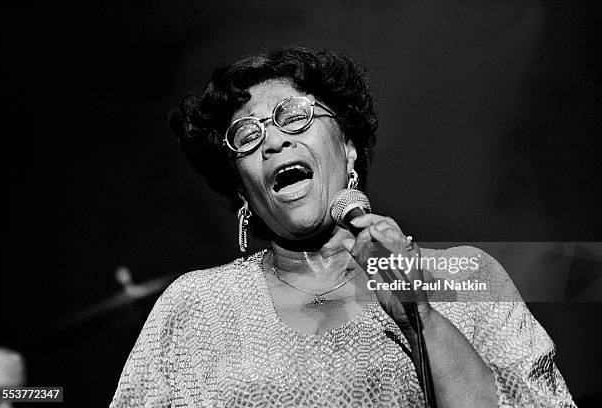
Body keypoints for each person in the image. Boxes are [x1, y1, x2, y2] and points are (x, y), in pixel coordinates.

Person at [110, 47, 575, 407]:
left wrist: (421, 318)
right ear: (242, 190)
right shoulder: (196, 306)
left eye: (294, 116)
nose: (272, 140)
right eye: (246, 137)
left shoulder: (463, 277)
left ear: (348, 147)